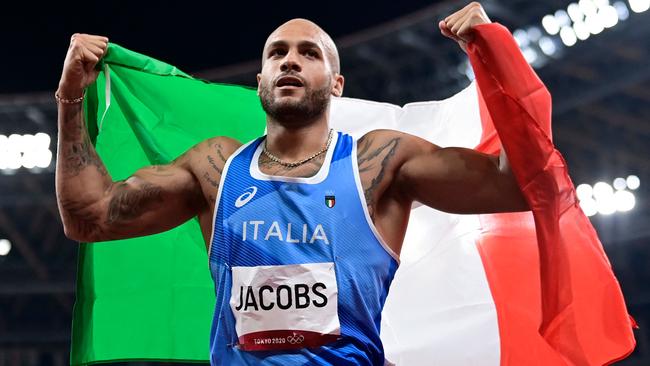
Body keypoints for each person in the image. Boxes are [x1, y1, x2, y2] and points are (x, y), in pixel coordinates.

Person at [55, 2, 529, 365]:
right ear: (261, 78)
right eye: (277, 53)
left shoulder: (380, 162)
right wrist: (71, 97)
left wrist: (495, 57)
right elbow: (89, 216)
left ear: (337, 83)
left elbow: (520, 184)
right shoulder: (215, 168)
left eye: (309, 53)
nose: (290, 61)